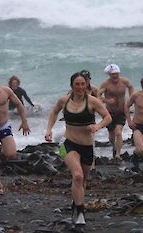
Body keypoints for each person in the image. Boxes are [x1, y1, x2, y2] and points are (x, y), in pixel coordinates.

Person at [45, 72, 111, 225]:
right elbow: (54, 112)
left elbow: (108, 117)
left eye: (83, 84)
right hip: (66, 145)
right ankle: (81, 213)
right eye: (77, 84)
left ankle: (76, 205)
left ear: (86, 85)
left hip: (87, 147)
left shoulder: (92, 101)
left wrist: (98, 126)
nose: (80, 87)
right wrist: (48, 130)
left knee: (83, 180)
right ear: (72, 86)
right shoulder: (64, 100)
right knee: (77, 176)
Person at [98, 64, 134, 160]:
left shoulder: (124, 81)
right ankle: (114, 147)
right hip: (109, 112)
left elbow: (130, 87)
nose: (115, 76)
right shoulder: (106, 84)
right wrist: (107, 100)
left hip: (121, 111)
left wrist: (131, 98)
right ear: (109, 74)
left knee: (118, 132)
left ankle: (118, 155)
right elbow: (98, 95)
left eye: (117, 74)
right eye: (113, 74)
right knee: (111, 134)